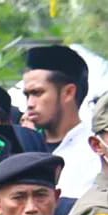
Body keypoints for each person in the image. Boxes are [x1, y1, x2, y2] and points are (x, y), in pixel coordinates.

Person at [23, 45, 99, 199]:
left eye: (37, 93)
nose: (30, 103)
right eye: (27, 95)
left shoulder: (96, 154)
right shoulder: (21, 146)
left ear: (68, 92)